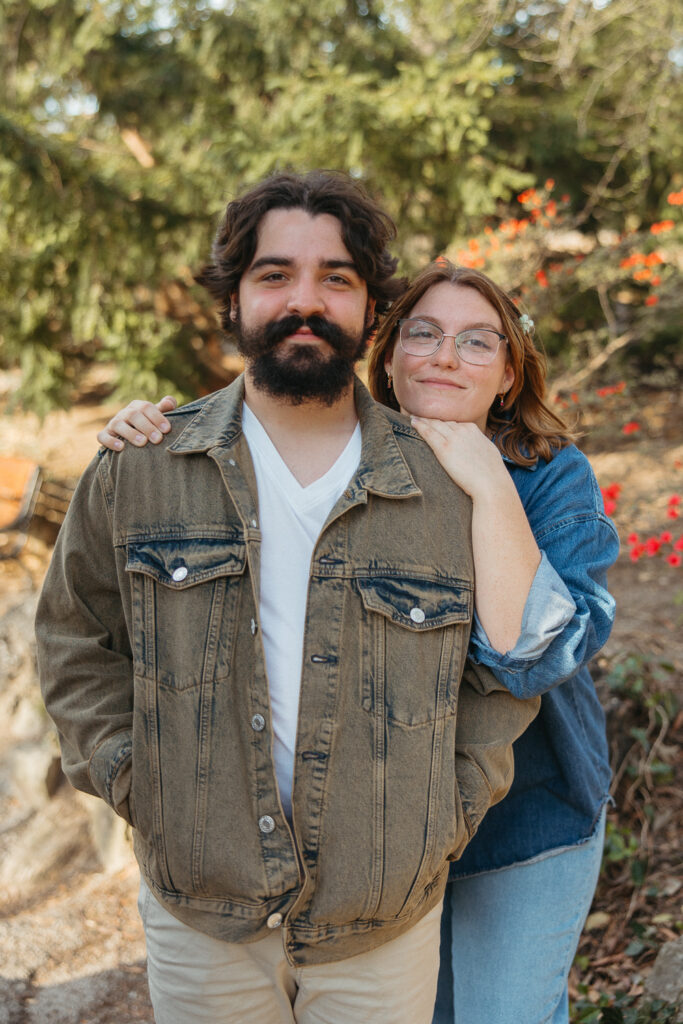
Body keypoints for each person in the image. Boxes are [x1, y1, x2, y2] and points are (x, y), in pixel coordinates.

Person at [35, 171, 539, 1024]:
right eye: (274, 275)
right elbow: (73, 642)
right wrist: (134, 781)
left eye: (335, 278)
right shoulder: (140, 470)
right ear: (230, 300)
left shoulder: (449, 487)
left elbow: (500, 672)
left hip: (382, 922)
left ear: (369, 309)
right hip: (202, 915)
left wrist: (444, 813)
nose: (304, 300)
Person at [103, 257, 619, 1024]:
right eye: (425, 333)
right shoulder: (339, 456)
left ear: (509, 373)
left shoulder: (549, 479)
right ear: (388, 354)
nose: (446, 356)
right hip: (365, 831)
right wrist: (145, 433)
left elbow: (532, 656)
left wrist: (483, 476)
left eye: (477, 342)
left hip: (522, 819)